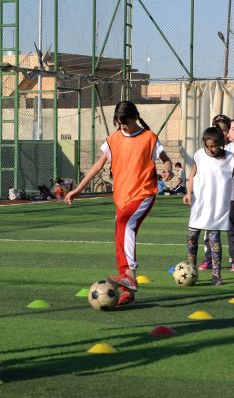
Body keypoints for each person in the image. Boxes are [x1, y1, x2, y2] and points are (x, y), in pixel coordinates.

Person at [65, 101, 173, 306]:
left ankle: (130, 275)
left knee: (126, 225)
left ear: (135, 117)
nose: (123, 126)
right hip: (122, 197)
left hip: (144, 193)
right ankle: (127, 290)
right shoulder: (113, 139)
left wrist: (168, 169)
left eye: (127, 122)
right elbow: (99, 164)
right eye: (120, 123)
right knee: (119, 238)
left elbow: (165, 159)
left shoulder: (149, 138)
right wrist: (79, 189)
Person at [183, 127, 234, 285]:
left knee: (214, 240)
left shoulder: (230, 159)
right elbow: (192, 175)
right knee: (192, 238)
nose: (210, 149)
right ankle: (191, 271)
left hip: (217, 207)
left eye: (214, 146)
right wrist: (189, 193)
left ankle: (216, 275)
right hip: (199, 204)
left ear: (221, 144)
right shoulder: (199, 155)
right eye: (207, 146)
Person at [198, 115, 234, 272]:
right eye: (218, 129)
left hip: (229, 194)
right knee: (211, 229)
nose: (222, 133)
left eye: (225, 130)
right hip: (211, 197)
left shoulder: (233, 148)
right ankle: (209, 258)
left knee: (231, 228)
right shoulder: (205, 151)